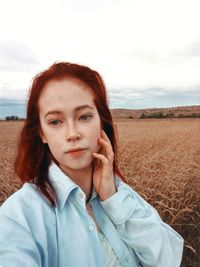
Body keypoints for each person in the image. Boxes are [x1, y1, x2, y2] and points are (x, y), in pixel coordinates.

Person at [0, 62, 183, 267]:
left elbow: (167, 260)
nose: (72, 133)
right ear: (42, 133)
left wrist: (112, 198)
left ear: (101, 122)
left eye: (84, 116)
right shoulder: (19, 216)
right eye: (55, 122)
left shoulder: (117, 192)